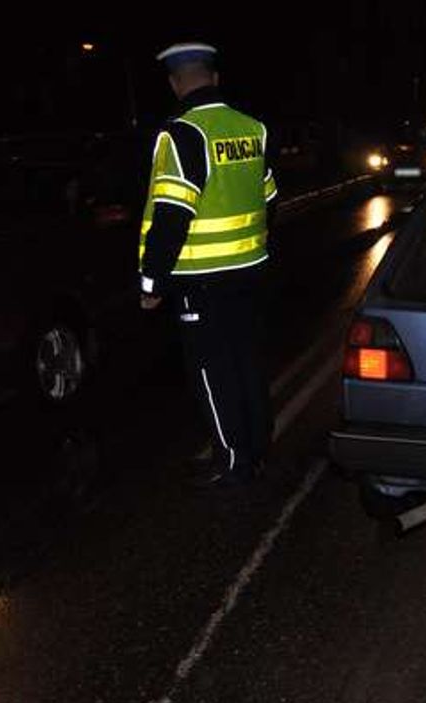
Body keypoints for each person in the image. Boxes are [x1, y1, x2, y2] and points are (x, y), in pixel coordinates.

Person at [139, 42, 276, 488]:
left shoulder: (181, 134)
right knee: (247, 361)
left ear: (175, 84)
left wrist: (152, 281)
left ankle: (234, 463)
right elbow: (270, 198)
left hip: (200, 279)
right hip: (251, 270)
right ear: (215, 78)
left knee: (212, 371)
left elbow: (171, 216)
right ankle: (257, 449)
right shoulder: (252, 128)